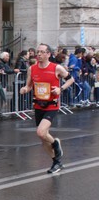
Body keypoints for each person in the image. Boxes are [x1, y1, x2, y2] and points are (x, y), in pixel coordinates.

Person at [19, 43, 75, 174]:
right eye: (38, 52)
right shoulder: (32, 69)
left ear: (48, 54)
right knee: (43, 137)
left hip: (52, 105)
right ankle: (57, 162)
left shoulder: (57, 68)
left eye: (42, 52)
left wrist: (60, 89)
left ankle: (55, 143)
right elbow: (29, 86)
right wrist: (24, 89)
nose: (38, 54)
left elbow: (71, 79)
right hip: (38, 104)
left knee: (41, 132)